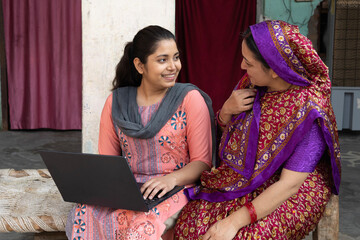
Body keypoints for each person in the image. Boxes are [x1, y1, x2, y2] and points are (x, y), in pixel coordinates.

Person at [174, 20, 341, 240]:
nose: (242, 67)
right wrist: (226, 112)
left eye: (248, 63)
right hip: (247, 178)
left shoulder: (310, 111)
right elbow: (229, 142)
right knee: (191, 226)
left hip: (293, 188)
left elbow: (289, 185)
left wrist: (233, 222)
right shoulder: (252, 86)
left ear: (274, 68)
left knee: (245, 237)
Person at [66, 25, 216, 240]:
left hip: (177, 187)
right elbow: (108, 162)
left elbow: (202, 162)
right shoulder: (116, 103)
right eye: (162, 60)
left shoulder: (189, 99)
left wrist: (170, 180)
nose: (173, 66)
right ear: (139, 65)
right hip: (129, 190)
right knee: (85, 213)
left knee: (142, 227)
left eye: (176, 57)